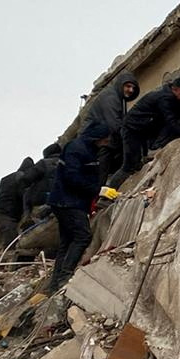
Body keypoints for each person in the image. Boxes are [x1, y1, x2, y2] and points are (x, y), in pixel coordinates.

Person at [47, 122, 113, 292]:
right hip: (67, 202)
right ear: (98, 137)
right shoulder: (77, 149)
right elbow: (72, 177)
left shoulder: (87, 148)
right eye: (105, 139)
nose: (107, 142)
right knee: (83, 236)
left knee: (67, 242)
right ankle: (64, 277)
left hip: (69, 201)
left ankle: (54, 284)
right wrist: (98, 190)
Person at [109, 77, 180, 187]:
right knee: (128, 166)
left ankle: (153, 149)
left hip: (141, 129)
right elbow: (170, 122)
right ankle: (105, 197)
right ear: (174, 89)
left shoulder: (168, 96)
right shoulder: (165, 98)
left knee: (139, 164)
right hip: (132, 130)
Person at [82, 71, 140, 181]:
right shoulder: (111, 97)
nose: (131, 90)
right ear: (121, 85)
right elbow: (115, 124)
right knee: (99, 175)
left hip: (104, 141)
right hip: (97, 143)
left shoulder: (119, 98)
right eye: (128, 86)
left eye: (133, 88)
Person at [0, 158, 38, 247]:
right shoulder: (21, 178)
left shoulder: (5, 179)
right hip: (9, 216)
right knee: (10, 246)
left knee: (8, 242)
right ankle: (6, 260)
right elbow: (23, 196)